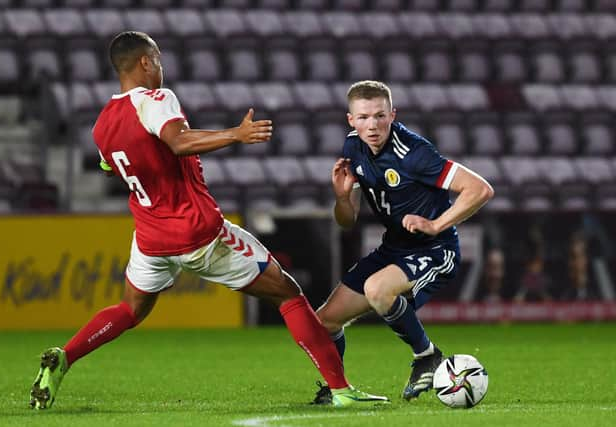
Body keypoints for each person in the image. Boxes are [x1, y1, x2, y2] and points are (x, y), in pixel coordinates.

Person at [29, 32, 388, 410]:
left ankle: (65, 356)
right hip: (196, 231)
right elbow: (179, 142)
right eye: (159, 61)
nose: (162, 70)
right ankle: (340, 389)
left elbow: (110, 167)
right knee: (287, 292)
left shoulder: (102, 124)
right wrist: (236, 134)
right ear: (146, 63)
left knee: (130, 309)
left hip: (151, 237)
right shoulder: (155, 100)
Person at [312, 80, 494, 404]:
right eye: (364, 117)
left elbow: (480, 189)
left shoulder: (414, 153)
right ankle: (337, 390)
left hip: (434, 249)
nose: (373, 125)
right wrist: (341, 198)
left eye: (380, 116)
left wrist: (436, 224)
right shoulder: (352, 148)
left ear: (392, 115)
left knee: (377, 289)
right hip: (393, 249)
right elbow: (346, 220)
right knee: (324, 321)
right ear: (350, 120)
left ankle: (427, 356)